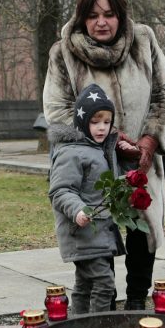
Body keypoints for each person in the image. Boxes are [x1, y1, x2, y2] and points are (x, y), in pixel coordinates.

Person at [43, 0, 165, 311]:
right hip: (90, 167)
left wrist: (148, 140)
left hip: (142, 163)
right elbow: (58, 112)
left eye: (109, 14)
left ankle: (135, 303)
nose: (101, 22)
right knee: (96, 239)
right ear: (82, 18)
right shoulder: (63, 53)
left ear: (121, 15)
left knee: (142, 233)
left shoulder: (143, 41)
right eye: (92, 15)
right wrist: (111, 141)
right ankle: (96, 307)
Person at [48, 84, 126, 313]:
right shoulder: (72, 152)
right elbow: (60, 190)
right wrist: (78, 210)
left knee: (84, 284)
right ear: (82, 121)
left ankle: (77, 324)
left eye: (106, 121)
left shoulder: (97, 148)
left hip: (98, 231)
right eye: (95, 122)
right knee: (104, 283)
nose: (102, 128)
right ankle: (100, 327)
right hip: (81, 231)